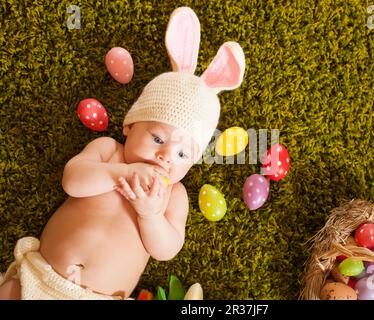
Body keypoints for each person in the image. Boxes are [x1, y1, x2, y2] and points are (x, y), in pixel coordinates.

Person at [0, 6, 245, 300]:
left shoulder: (173, 195)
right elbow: (73, 181)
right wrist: (121, 173)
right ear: (129, 125)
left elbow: (166, 249)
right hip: (40, 278)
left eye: (182, 155)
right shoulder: (109, 151)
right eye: (157, 138)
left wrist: (151, 215)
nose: (165, 156)